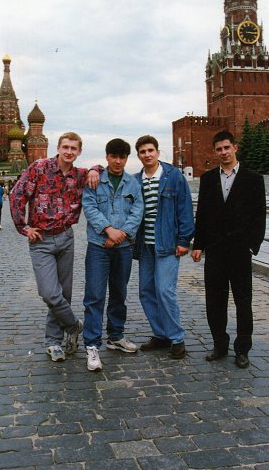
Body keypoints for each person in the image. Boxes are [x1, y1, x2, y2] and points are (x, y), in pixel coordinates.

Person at [10, 131, 99, 363]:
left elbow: (102, 169)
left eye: (73, 148)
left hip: (66, 238)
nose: (69, 152)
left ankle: (53, 341)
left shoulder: (80, 175)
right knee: (49, 293)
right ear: (58, 148)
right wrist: (23, 227)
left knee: (63, 293)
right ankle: (74, 326)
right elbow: (17, 195)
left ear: (79, 152)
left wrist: (94, 169)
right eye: (65, 147)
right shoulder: (39, 168)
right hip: (41, 240)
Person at [192, 131, 266, 369]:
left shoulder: (253, 179)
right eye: (219, 149)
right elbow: (202, 215)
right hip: (215, 251)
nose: (223, 152)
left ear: (235, 147)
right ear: (215, 152)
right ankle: (219, 345)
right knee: (215, 301)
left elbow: (259, 216)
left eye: (227, 147)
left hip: (240, 251)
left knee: (243, 302)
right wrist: (199, 245)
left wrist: (252, 245)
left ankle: (242, 349)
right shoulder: (208, 179)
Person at [82, 138, 144, 372]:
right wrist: (108, 230)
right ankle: (91, 344)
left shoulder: (132, 183)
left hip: (123, 247)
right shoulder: (95, 180)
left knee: (119, 292)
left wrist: (121, 234)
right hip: (98, 246)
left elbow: (138, 211)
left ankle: (116, 336)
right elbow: (90, 208)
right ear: (107, 157)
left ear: (127, 159)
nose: (118, 161)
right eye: (114, 156)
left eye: (122, 157)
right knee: (95, 295)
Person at [133, 135, 194, 360]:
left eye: (150, 150)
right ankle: (161, 334)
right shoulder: (136, 180)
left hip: (167, 244)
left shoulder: (173, 176)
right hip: (145, 246)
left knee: (165, 291)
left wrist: (184, 240)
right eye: (143, 152)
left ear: (158, 152)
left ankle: (177, 338)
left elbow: (185, 208)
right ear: (138, 155)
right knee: (146, 291)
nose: (147, 155)